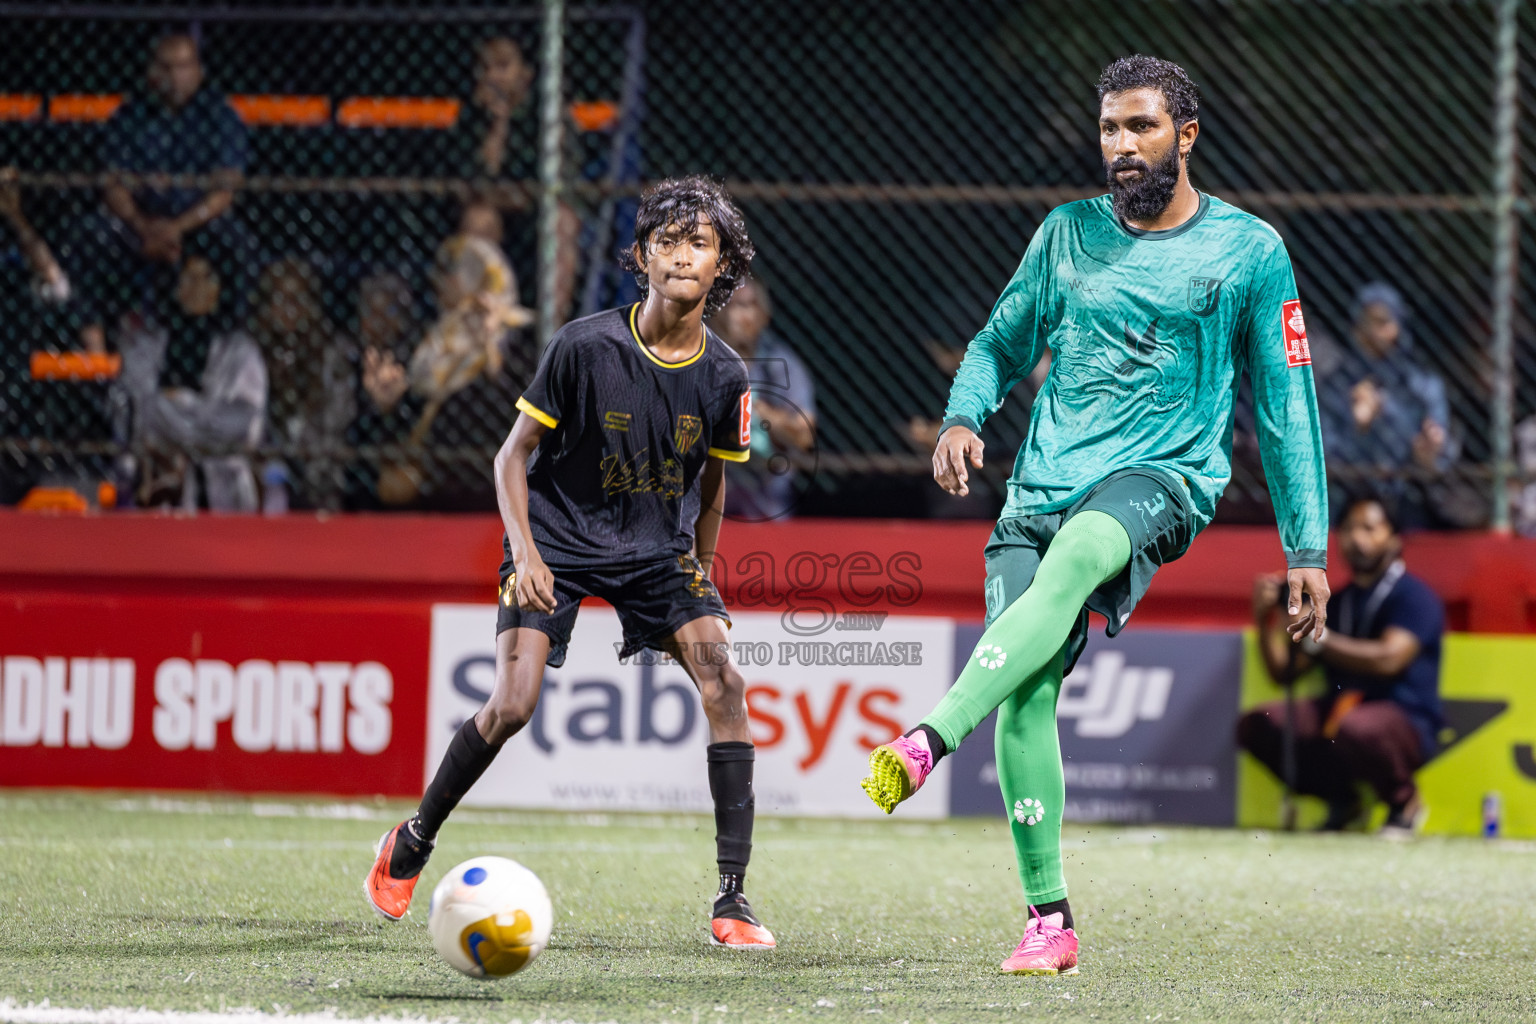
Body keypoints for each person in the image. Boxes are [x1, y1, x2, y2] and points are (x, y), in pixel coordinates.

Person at [857, 56, 1331, 976]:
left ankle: (927, 738)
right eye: (1110, 128)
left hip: (1160, 479)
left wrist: (1304, 543)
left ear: (1184, 136)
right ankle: (1051, 921)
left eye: (1141, 127)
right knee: (1025, 694)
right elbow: (1000, 340)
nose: (1121, 146)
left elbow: (1286, 403)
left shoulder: (1248, 250)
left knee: (1078, 556)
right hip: (1038, 486)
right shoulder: (1065, 234)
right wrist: (963, 414)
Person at [364, 176, 776, 949]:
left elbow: (714, 486)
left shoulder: (726, 375)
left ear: (723, 264)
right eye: (667, 241)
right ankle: (412, 841)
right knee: (512, 704)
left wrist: (701, 581)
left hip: (657, 550)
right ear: (643, 257)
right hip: (555, 535)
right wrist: (524, 551)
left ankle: (733, 899)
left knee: (724, 679)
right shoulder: (585, 345)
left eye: (700, 243)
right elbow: (509, 457)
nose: (683, 256)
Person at [1240, 493, 1443, 834]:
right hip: (1340, 715)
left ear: (1393, 538)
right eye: (1348, 530)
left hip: (1403, 717)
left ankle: (1403, 803)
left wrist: (1317, 640)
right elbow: (1282, 674)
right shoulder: (1338, 599)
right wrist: (1264, 622)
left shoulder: (1414, 595)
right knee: (1260, 725)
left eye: (1369, 528)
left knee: (1359, 727)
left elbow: (1389, 659)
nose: (1357, 539)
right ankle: (1345, 803)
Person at [82, 33, 252, 351]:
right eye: (166, 67)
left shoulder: (219, 116)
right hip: (140, 222)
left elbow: (225, 190)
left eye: (184, 67)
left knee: (238, 245)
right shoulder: (130, 117)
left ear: (199, 70)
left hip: (197, 224)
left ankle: (233, 343)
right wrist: (141, 224)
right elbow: (113, 183)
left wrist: (176, 228)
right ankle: (94, 348)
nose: (175, 77)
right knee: (92, 235)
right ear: (152, 72)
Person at [116, 255, 266, 511]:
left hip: (225, 488)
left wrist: (181, 403)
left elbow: (243, 426)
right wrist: (204, 420)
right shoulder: (146, 344)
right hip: (159, 481)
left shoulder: (241, 350)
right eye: (188, 278)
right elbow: (139, 415)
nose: (197, 287)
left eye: (208, 278)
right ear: (175, 288)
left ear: (221, 289)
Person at [1318, 283, 1453, 527]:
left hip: (1409, 499)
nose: (1372, 332)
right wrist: (1359, 429)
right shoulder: (1336, 387)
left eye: (1382, 322)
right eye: (1365, 322)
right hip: (1350, 499)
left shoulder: (1422, 385)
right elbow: (1325, 457)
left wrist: (1427, 457)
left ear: (1398, 327)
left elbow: (1442, 456)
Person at [710, 274, 816, 520]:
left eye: (746, 305)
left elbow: (804, 436)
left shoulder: (781, 365)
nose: (736, 316)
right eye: (729, 305)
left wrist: (758, 413)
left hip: (767, 508)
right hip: (710, 511)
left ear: (762, 315)